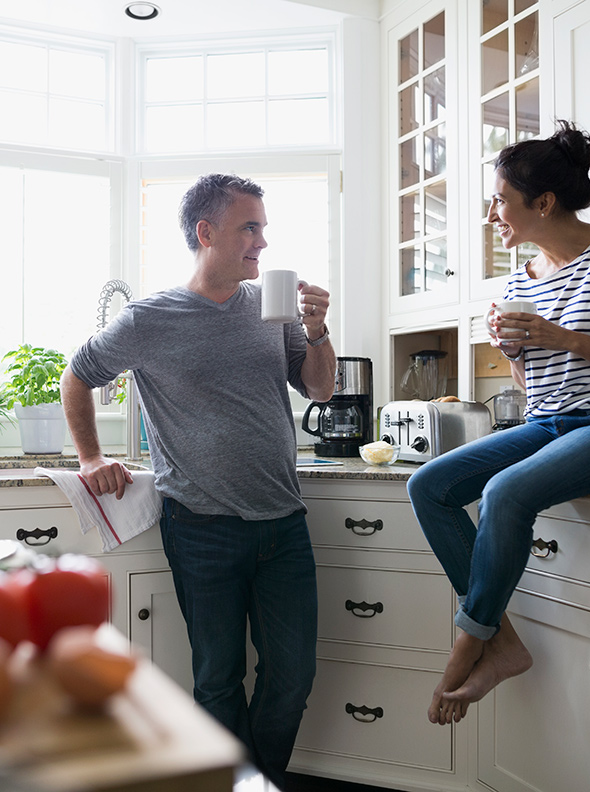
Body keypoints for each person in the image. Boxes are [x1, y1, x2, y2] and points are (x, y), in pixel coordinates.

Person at [61, 173, 336, 790]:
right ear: (206, 232)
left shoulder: (274, 306)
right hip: (200, 528)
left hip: (283, 523)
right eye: (250, 227)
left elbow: (319, 388)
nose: (262, 242)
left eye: (263, 227)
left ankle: (252, 781)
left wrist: (316, 328)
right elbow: (76, 376)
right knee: (217, 678)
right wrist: (88, 457)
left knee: (292, 676)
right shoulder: (148, 319)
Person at [407, 121, 590, 727]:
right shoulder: (519, 281)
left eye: (499, 200)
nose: (490, 215)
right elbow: (533, 392)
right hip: (551, 423)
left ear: (543, 202)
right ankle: (502, 641)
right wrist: (514, 353)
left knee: (506, 490)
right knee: (428, 486)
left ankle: (467, 645)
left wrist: (560, 337)